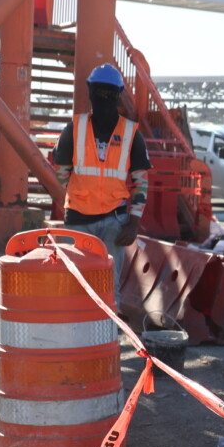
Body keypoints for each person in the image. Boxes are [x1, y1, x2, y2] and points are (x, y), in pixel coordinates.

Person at [52, 64, 151, 298]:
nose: (104, 99)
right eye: (102, 93)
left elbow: (61, 174)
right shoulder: (76, 129)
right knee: (96, 285)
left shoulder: (77, 129)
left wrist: (133, 224)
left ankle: (102, 333)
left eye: (107, 94)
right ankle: (93, 333)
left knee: (92, 284)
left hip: (101, 220)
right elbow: (141, 183)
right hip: (105, 221)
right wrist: (133, 222)